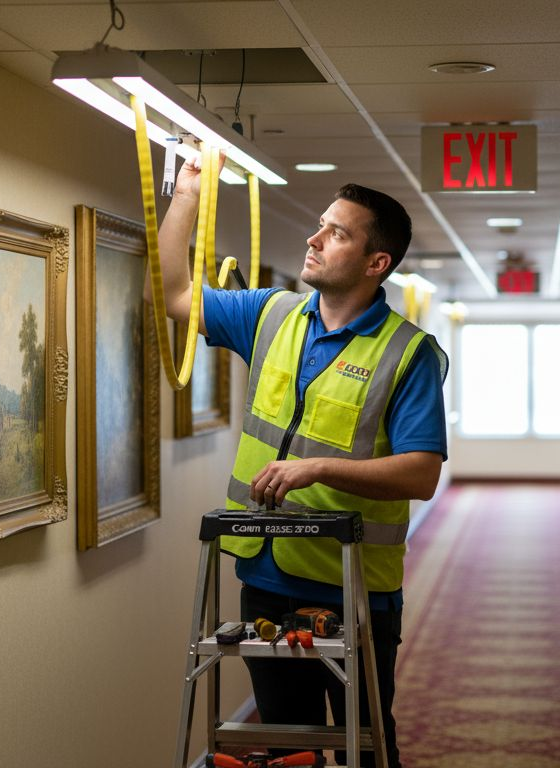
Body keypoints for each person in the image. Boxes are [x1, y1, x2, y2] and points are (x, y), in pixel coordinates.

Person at [146, 155, 447, 768]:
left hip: (354, 586)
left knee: (367, 746)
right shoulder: (272, 314)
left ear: (376, 262)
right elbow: (173, 294)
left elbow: (421, 473)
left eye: (336, 233)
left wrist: (316, 468)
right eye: (319, 225)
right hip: (265, 576)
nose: (314, 239)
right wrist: (187, 197)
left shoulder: (407, 353)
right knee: (289, 747)